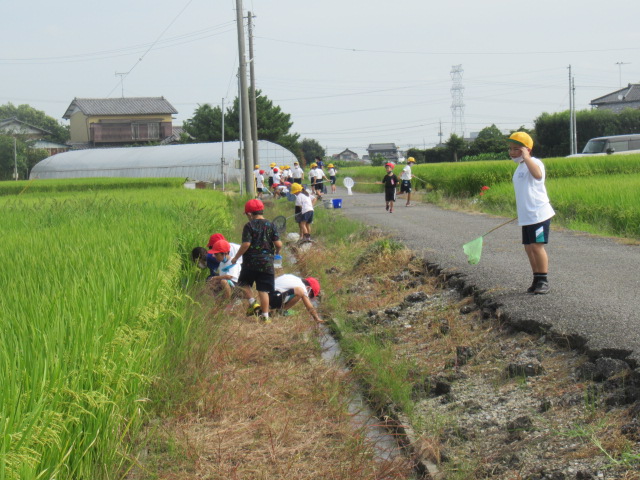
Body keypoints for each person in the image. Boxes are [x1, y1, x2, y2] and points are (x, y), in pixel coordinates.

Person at [508, 131, 555, 295]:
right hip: (526, 216)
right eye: (511, 149)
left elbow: (538, 175)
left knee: (537, 246)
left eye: (517, 149)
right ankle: (536, 278)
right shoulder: (520, 168)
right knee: (529, 248)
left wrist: (527, 157)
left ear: (526, 149)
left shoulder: (534, 162)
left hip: (538, 215)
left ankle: (544, 280)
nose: (512, 153)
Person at [230, 199, 282, 322]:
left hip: (250, 262)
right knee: (263, 290)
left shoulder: (249, 226)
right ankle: (265, 316)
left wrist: (236, 257)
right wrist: (277, 253)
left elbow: (246, 244)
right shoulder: (271, 225)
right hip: (267, 263)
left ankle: (253, 303)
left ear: (249, 213)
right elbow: (278, 244)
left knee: (243, 284)